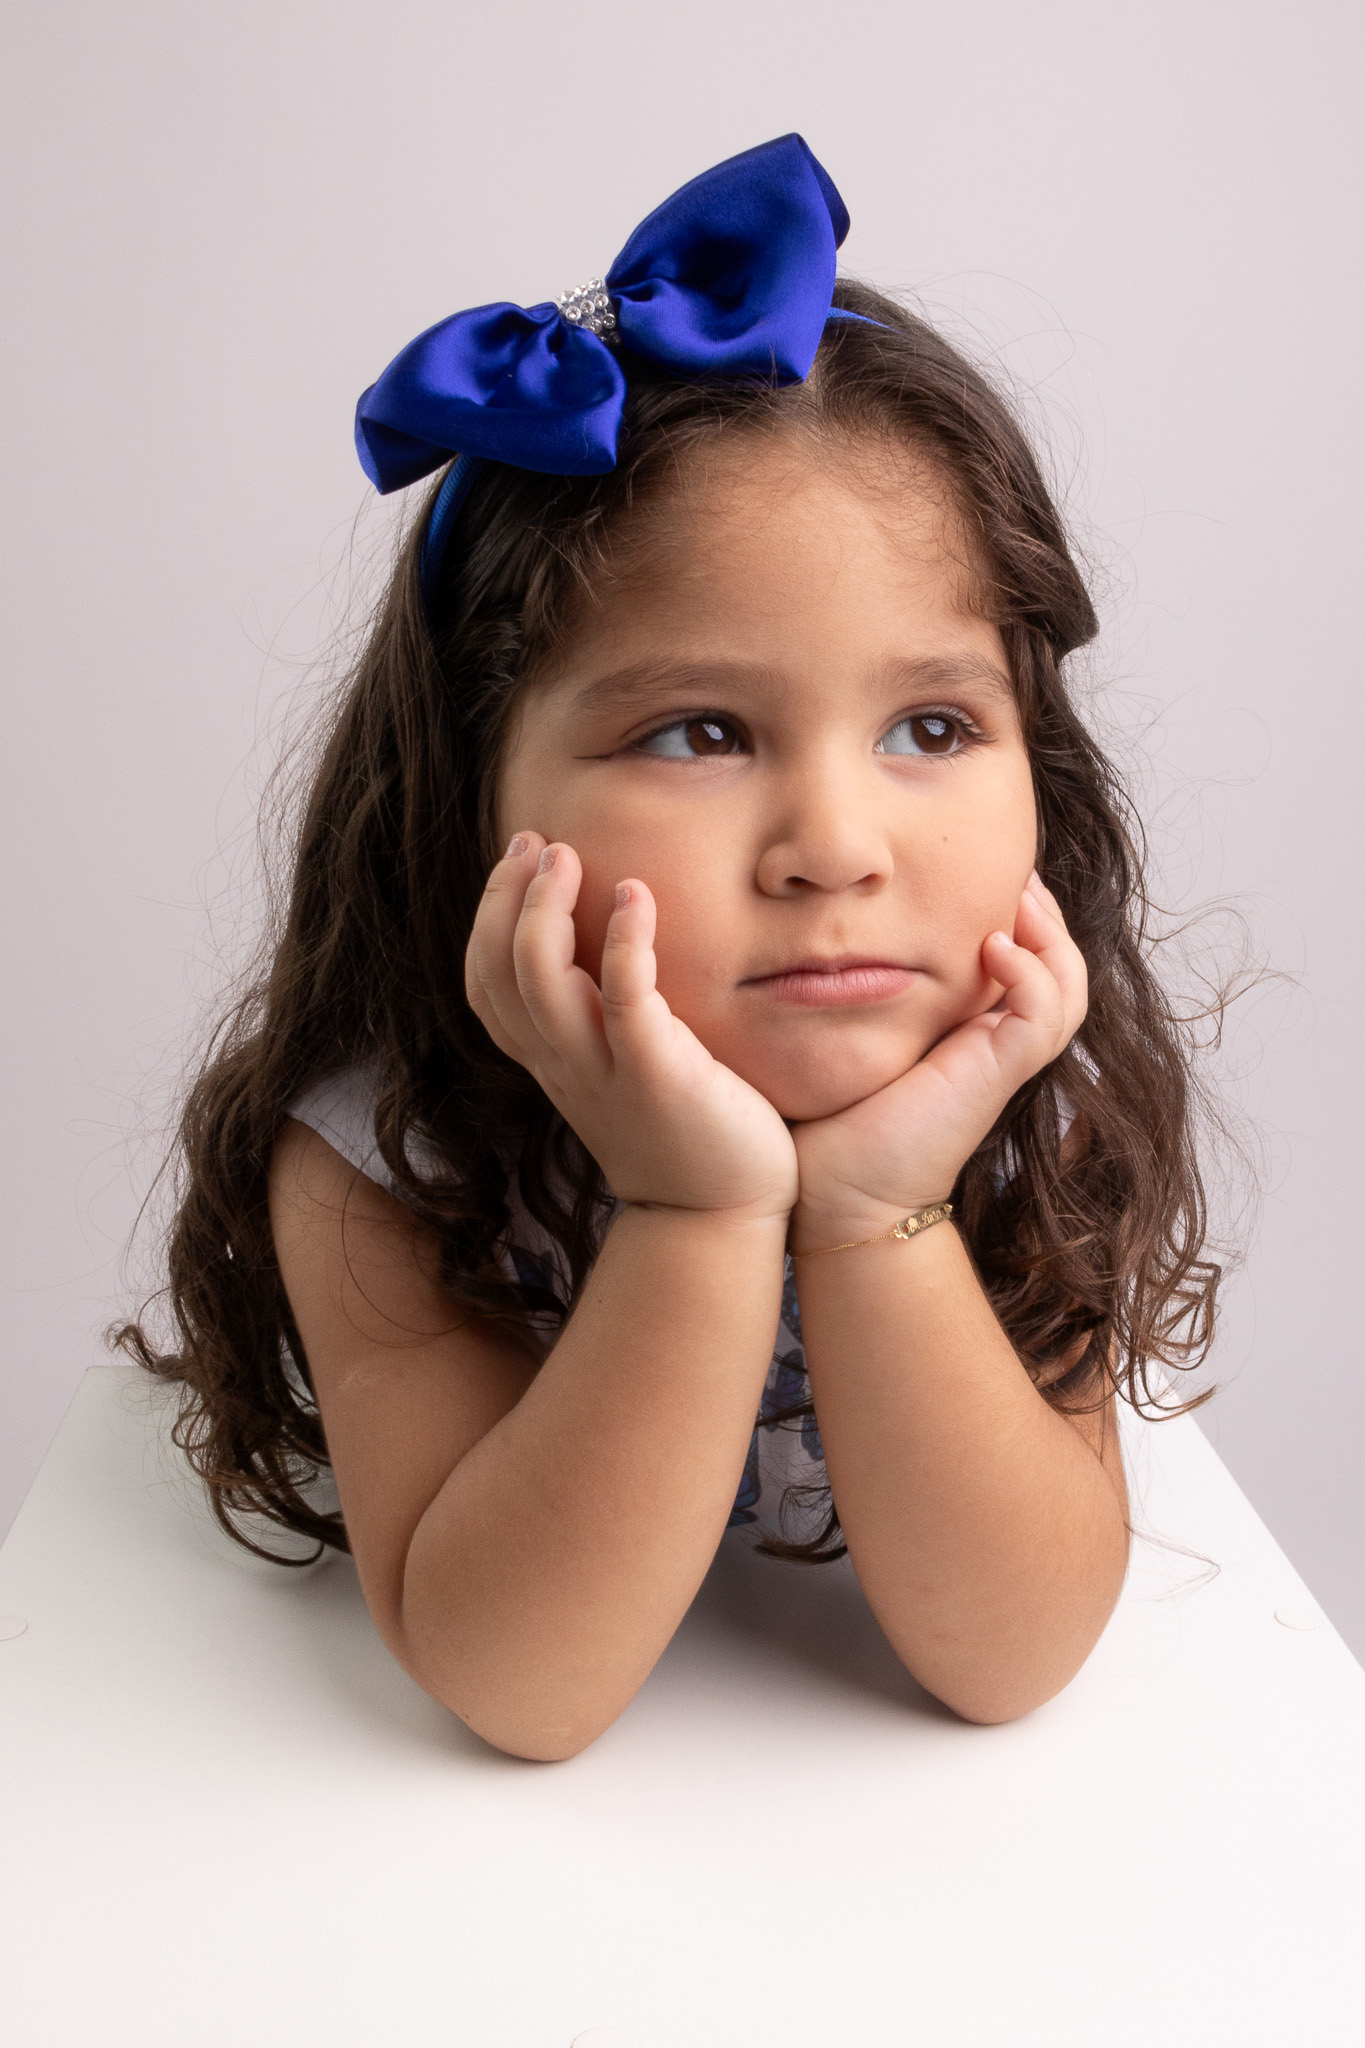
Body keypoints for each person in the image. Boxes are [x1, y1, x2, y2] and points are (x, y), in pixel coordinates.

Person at [119, 135, 1221, 1761]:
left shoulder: (1005, 1097)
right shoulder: (379, 1145)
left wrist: (874, 1206)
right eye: (701, 731)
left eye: (930, 723)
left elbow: (1009, 1659)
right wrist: (696, 1206)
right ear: (473, 798)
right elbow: (520, 1684)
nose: (838, 847)